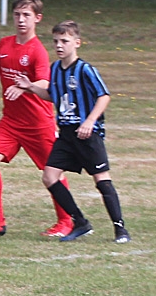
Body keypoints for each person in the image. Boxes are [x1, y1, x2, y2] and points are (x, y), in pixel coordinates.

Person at [0, 0, 76, 238]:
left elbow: (45, 82)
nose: (21, 19)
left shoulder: (38, 51)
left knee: (53, 172)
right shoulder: (4, 44)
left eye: (26, 15)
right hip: (11, 121)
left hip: (38, 123)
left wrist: (25, 87)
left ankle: (66, 221)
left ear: (37, 18)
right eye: (17, 14)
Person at [13, 20, 130, 244]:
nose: (59, 45)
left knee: (101, 179)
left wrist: (90, 121)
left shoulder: (85, 70)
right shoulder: (56, 69)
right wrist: (31, 87)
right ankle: (80, 222)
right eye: (56, 41)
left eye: (64, 41)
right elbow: (53, 96)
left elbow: (104, 96)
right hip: (66, 135)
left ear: (77, 43)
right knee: (49, 176)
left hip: (87, 135)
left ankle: (120, 228)